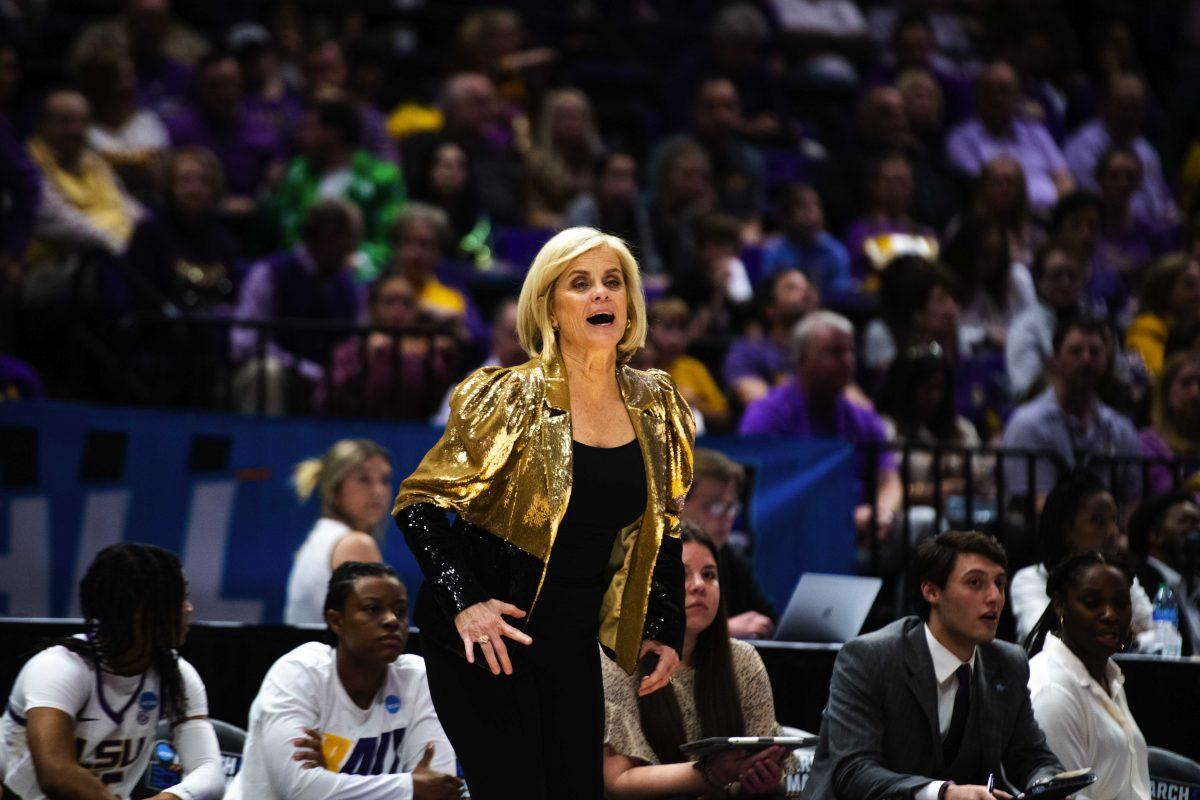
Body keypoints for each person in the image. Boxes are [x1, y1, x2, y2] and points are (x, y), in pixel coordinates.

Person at [392, 227, 695, 798]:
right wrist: (467, 602)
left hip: (571, 638)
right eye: (580, 284)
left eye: (613, 283)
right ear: (550, 309)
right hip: (489, 638)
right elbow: (419, 505)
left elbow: (666, 528)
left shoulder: (656, 402)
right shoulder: (510, 396)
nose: (601, 295)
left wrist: (661, 625)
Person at [801, 530, 1063, 800]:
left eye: (999, 583)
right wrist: (942, 793)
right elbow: (854, 772)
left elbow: (1031, 756)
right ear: (931, 591)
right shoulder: (870, 658)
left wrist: (1048, 785)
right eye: (975, 583)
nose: (994, 597)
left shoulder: (1008, 663)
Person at [1, 542, 224, 800]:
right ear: (142, 611)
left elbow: (210, 772)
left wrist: (172, 797)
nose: (189, 609)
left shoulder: (176, 674)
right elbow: (56, 773)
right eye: (180, 597)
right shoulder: (59, 667)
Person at [228, 562, 462, 799]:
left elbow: (439, 788)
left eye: (400, 611)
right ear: (336, 621)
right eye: (373, 609)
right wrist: (409, 787)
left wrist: (329, 778)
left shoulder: (417, 677)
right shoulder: (299, 673)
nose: (392, 620)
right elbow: (298, 788)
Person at [601, 527, 793, 797]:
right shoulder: (618, 660)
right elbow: (619, 781)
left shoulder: (744, 659)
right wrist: (711, 773)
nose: (699, 585)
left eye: (709, 575)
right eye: (682, 574)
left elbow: (771, 774)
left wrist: (761, 779)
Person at [739, 310, 902, 546]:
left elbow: (889, 480)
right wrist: (839, 520)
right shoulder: (767, 415)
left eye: (850, 351)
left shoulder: (863, 418)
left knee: (924, 523)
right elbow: (765, 495)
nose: (847, 361)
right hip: (793, 534)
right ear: (802, 359)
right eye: (834, 352)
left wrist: (881, 513)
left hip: (864, 532)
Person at [1025, 552, 1151, 800]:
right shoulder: (1052, 692)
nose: (1110, 614)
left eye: (1121, 604)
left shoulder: (1106, 673)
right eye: (1092, 602)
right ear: (1060, 605)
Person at [231, 198, 366, 415]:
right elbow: (245, 341)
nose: (352, 250)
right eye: (349, 241)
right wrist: (301, 367)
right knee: (265, 372)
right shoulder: (270, 273)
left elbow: (355, 340)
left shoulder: (349, 285)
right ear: (326, 237)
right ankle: (264, 443)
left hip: (329, 381)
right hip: (282, 375)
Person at [1001, 316, 1140, 504]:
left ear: (1106, 361)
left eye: (1095, 352)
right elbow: (1034, 505)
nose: (1086, 360)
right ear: (1054, 359)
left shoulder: (1120, 428)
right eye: (1076, 351)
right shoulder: (1027, 424)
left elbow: (1131, 502)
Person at [1009, 474, 1153, 645]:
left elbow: (1164, 635)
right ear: (1066, 530)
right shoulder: (1031, 578)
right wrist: (1128, 633)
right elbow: (1043, 638)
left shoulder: (1120, 578)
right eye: (1098, 521)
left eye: (1114, 520)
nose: (1112, 532)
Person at [317, 274, 459, 419]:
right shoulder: (352, 349)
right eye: (389, 302)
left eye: (407, 303)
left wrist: (442, 357)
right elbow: (327, 399)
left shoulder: (429, 352)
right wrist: (366, 359)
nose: (398, 310)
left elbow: (441, 402)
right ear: (374, 306)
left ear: (417, 309)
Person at [284, 439, 392, 625]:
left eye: (385, 480)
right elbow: (374, 634)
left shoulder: (321, 537)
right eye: (363, 479)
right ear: (335, 487)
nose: (378, 491)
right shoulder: (356, 544)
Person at [945, 60, 1073, 217]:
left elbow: (1064, 180)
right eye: (989, 91)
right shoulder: (961, 138)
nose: (997, 98)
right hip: (1000, 219)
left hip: (1051, 218)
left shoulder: (1035, 132)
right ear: (978, 95)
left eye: (1004, 91)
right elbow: (986, 190)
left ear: (1018, 96)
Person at [124, 146, 242, 312]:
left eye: (205, 181)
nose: (195, 190)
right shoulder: (149, 234)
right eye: (185, 180)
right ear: (169, 186)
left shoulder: (223, 238)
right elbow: (141, 302)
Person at [1063, 73, 1177, 230]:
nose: (1130, 115)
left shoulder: (1146, 149)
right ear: (1106, 104)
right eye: (1124, 107)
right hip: (1111, 229)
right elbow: (1091, 201)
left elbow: (1161, 198)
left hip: (1154, 230)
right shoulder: (1083, 145)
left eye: (1136, 108)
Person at [681, 449, 775, 638]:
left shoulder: (732, 558)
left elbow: (768, 619)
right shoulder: (651, 557)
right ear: (678, 503)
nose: (725, 517)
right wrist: (725, 631)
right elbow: (642, 633)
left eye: (731, 507)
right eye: (713, 505)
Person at [723, 267, 819, 407]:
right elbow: (762, 405)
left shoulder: (825, 353)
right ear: (770, 308)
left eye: (806, 287)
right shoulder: (747, 351)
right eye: (791, 288)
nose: (805, 293)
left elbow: (856, 406)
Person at [1005, 241, 1088, 400]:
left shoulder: (1095, 322)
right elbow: (1025, 388)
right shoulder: (1025, 328)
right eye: (1057, 275)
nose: (1065, 283)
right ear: (1039, 281)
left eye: (1072, 274)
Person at [1128, 492, 1200, 656]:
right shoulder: (1137, 583)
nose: (1197, 532)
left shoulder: (1194, 586)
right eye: (1187, 522)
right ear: (1156, 535)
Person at [759, 183, 854, 300]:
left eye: (816, 207)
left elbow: (841, 297)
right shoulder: (774, 252)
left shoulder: (834, 251)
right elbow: (769, 297)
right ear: (787, 216)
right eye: (804, 208)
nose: (813, 216)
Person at [1125, 254, 1200, 379]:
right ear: (1164, 290)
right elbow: (1153, 378)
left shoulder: (1194, 324)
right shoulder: (1145, 328)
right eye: (1189, 285)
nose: (1198, 293)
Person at [1138, 350, 1200, 495]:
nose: (1196, 392)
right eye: (1186, 383)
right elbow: (1166, 494)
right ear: (1166, 393)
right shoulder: (1149, 443)